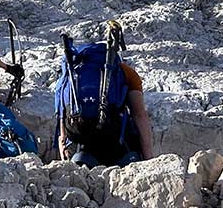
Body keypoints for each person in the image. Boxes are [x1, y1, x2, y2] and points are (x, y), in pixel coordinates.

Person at [54, 23, 155, 168]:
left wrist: (65, 162)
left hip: (80, 147)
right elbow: (140, 115)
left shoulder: (69, 74)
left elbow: (62, 117)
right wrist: (148, 159)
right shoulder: (124, 72)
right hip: (117, 144)